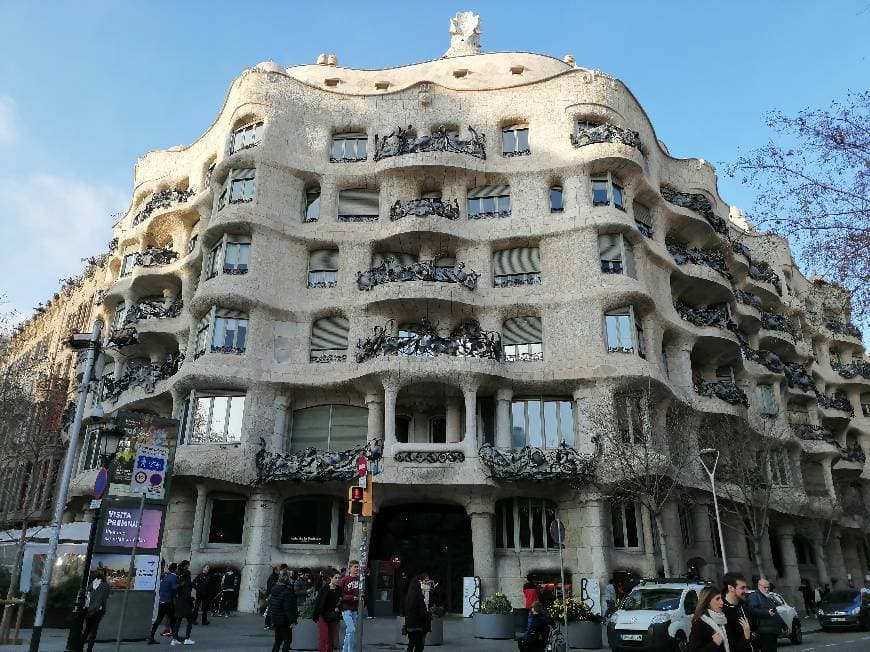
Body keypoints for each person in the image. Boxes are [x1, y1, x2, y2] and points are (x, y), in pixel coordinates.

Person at [688, 586, 744, 652]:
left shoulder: (724, 620)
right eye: (717, 599)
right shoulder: (699, 623)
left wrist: (746, 636)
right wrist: (714, 644)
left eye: (722, 599)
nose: (722, 602)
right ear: (708, 602)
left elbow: (733, 646)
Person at [746, 579, 785, 652]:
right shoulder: (754, 596)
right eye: (765, 587)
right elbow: (752, 610)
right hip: (764, 630)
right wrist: (766, 612)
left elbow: (775, 612)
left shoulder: (768, 597)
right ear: (759, 586)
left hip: (773, 630)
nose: (767, 589)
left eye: (768, 587)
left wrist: (783, 624)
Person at [148, 563, 179, 644]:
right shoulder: (173, 577)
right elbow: (173, 587)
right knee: (173, 619)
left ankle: (151, 636)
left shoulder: (165, 576)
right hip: (168, 601)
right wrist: (181, 585)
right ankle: (175, 637)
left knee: (159, 619)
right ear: (175, 569)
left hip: (162, 600)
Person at [269, 569, 299, 652]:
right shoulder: (287, 591)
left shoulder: (275, 588)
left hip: (275, 618)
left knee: (278, 641)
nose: (291, 579)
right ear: (287, 578)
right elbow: (288, 608)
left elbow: (272, 604)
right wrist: (292, 621)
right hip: (284, 620)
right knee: (287, 641)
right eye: (290, 577)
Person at [721, 572, 752, 652]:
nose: (746, 591)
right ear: (731, 588)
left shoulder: (744, 605)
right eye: (742, 588)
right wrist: (746, 636)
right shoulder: (722, 610)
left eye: (746, 587)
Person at [313, 571, 343, 652]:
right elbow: (318, 602)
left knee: (331, 639)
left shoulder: (339, 590)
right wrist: (316, 615)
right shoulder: (325, 588)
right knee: (324, 638)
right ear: (331, 578)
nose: (337, 580)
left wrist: (339, 608)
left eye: (339, 578)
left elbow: (341, 601)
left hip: (333, 616)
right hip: (323, 615)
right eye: (335, 578)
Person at [81, 568, 109, 652]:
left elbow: (87, 593)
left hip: (89, 610)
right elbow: (104, 598)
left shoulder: (93, 583)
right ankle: (89, 649)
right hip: (98, 610)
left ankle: (81, 646)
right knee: (94, 631)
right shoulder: (105, 585)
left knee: (87, 629)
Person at [403, 573, 432, 652]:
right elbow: (422, 611)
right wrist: (428, 616)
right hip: (418, 625)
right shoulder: (418, 597)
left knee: (411, 644)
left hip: (410, 624)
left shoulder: (409, 595)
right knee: (419, 645)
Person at [338, 560, 361, 652]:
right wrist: (351, 597)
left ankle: (344, 650)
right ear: (350, 568)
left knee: (349, 632)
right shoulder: (345, 580)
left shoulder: (360, 579)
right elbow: (340, 594)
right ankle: (350, 650)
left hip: (355, 608)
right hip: (346, 608)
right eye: (355, 567)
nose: (357, 569)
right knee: (351, 629)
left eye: (357, 567)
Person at [171, 568, 196, 645]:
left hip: (178, 604)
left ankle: (174, 639)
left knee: (178, 621)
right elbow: (186, 596)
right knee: (190, 621)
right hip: (186, 605)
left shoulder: (179, 582)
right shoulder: (187, 583)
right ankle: (187, 638)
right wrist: (192, 598)